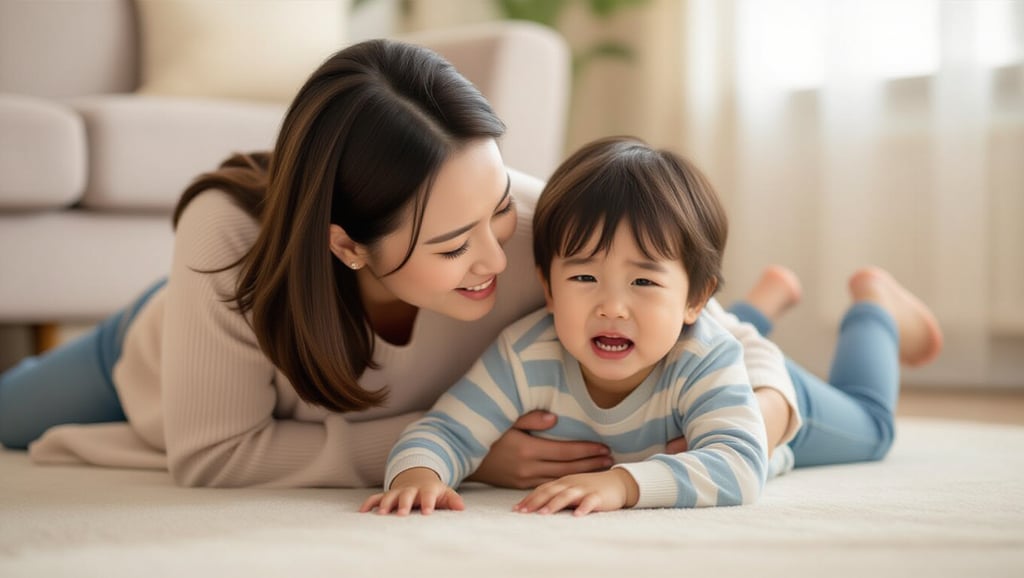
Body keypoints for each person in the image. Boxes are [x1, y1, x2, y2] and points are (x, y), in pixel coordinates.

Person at [0, 39, 795, 489]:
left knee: (843, 430)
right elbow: (214, 453)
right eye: (452, 246)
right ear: (346, 244)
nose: (498, 253)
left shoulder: (525, 218)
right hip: (164, 338)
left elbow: (727, 343)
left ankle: (866, 313)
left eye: (496, 212)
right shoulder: (225, 239)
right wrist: (464, 448)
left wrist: (741, 424)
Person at [360, 136, 943, 516]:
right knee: (673, 322)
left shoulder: (704, 355)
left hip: (749, 375)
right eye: (585, 279)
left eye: (642, 282)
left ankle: (876, 309)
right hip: (693, 328)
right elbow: (444, 429)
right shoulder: (525, 354)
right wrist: (419, 473)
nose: (612, 308)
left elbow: (741, 465)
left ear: (696, 298)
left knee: (871, 426)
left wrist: (623, 484)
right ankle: (764, 299)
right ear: (547, 283)